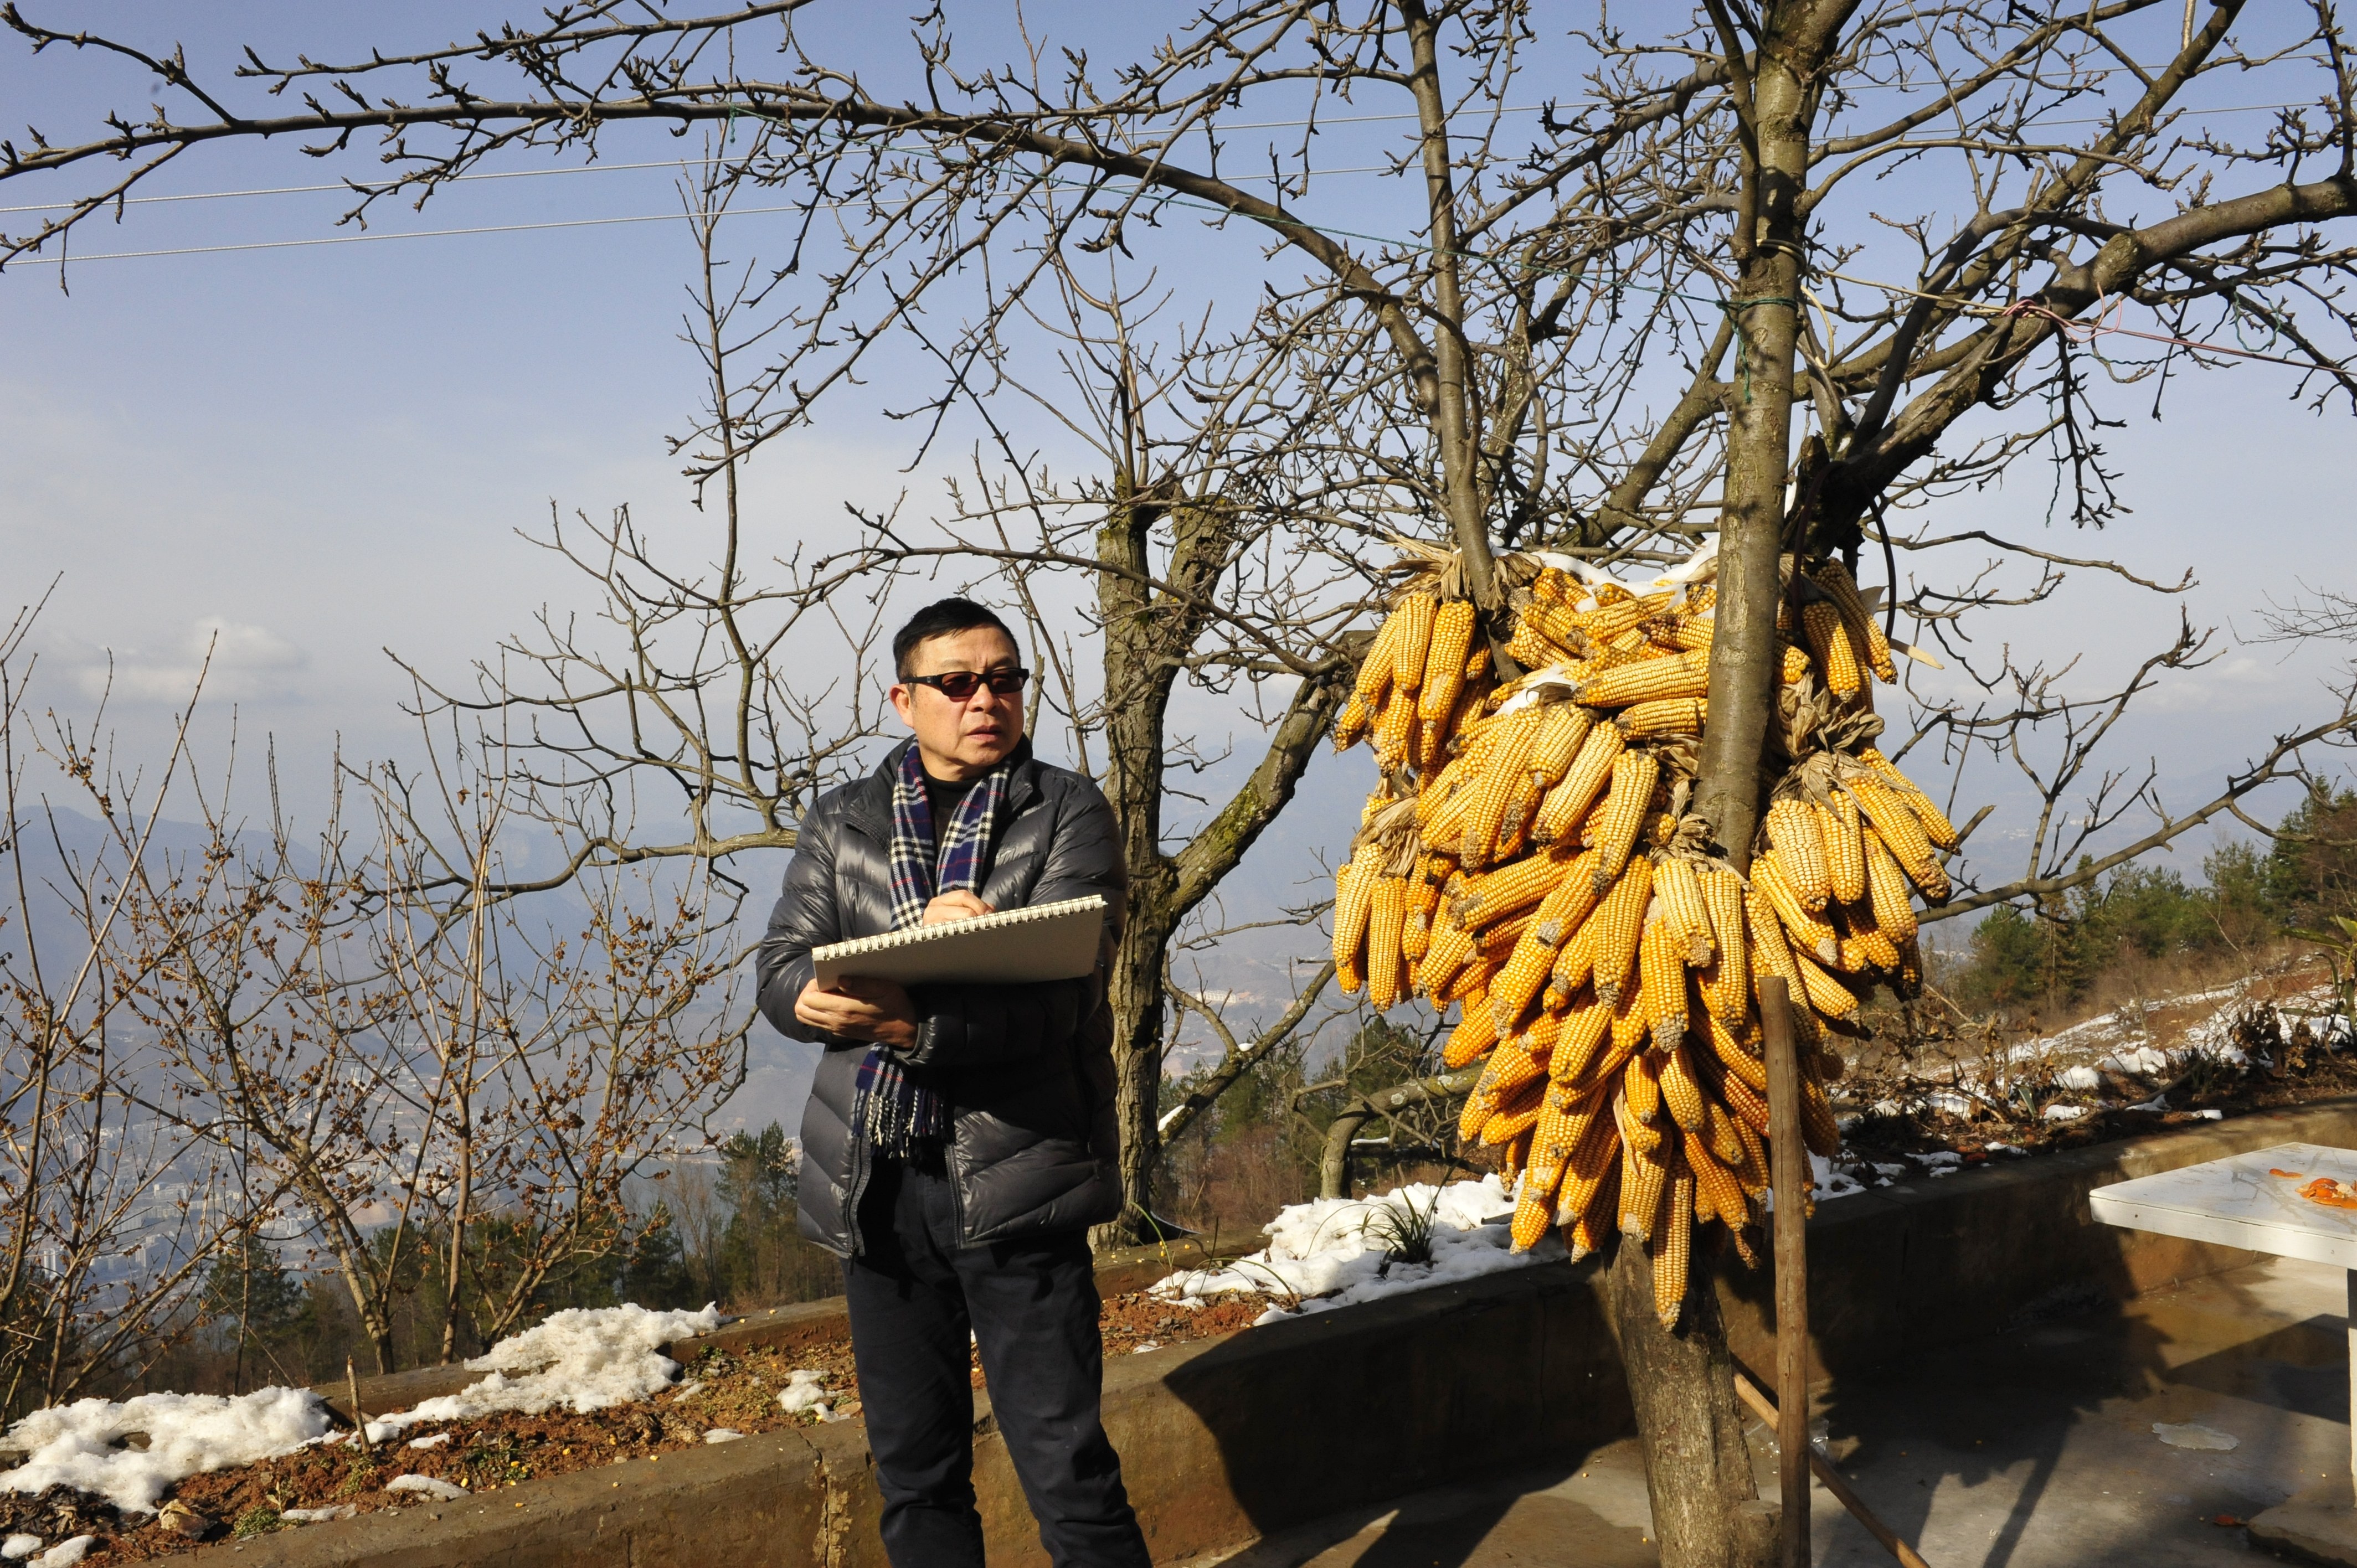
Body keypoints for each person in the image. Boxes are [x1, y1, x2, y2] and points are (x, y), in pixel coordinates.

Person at [758, 597, 1150, 1568]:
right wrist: (806, 1000)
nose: (988, 699)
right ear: (905, 699)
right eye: (959, 682)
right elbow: (779, 962)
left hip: (1018, 1182)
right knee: (915, 1474)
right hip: (877, 1190)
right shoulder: (843, 819)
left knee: (1066, 1467)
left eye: (1007, 680)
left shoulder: (1066, 813)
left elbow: (1062, 999)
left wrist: (914, 1020)